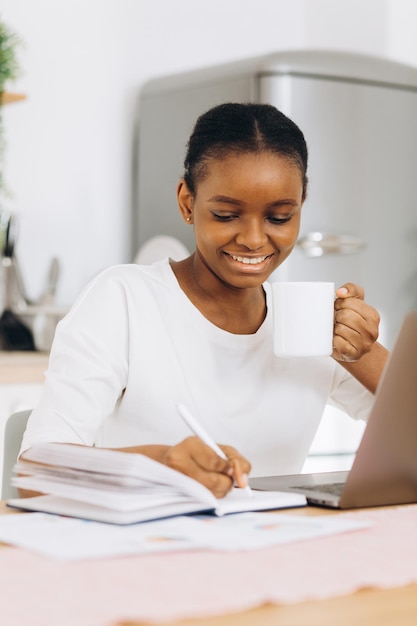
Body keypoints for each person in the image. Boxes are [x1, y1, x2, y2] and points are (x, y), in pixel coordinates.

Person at [19, 102, 388, 499]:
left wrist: (364, 354)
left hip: (274, 547)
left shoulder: (310, 322)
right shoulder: (124, 300)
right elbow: (35, 474)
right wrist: (160, 464)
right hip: (149, 549)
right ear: (187, 202)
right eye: (227, 215)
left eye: (279, 217)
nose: (253, 239)